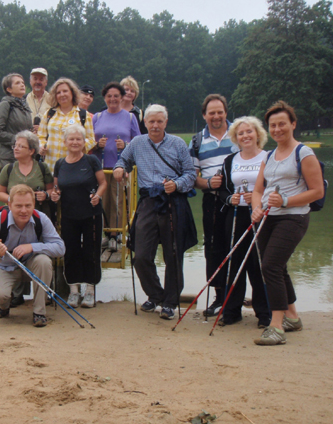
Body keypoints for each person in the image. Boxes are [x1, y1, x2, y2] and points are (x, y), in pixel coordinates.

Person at [114, 104, 197, 320]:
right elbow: (123, 160)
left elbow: (190, 174)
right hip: (148, 201)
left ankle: (170, 302)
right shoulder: (137, 143)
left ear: (165, 123)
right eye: (151, 121)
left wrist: (177, 185)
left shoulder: (178, 144)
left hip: (172, 201)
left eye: (159, 121)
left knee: (173, 254)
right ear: (145, 123)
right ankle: (156, 295)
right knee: (140, 254)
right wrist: (119, 169)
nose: (155, 125)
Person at [251, 101, 323, 346]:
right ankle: (292, 317)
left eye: (282, 124)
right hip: (269, 218)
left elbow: (317, 191)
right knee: (277, 267)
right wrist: (256, 208)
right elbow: (258, 189)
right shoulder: (269, 156)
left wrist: (286, 200)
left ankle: (276, 326)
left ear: (293, 124)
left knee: (270, 266)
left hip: (294, 217)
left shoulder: (303, 153)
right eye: (273, 125)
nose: (277, 129)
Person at [0, 184, 66, 327]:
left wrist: (32, 247)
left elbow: (60, 248)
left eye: (28, 205)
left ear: (34, 204)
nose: (24, 211)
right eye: (19, 206)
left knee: (44, 261)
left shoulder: (41, 219)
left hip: (30, 266)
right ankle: (3, 305)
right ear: (9, 204)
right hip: (5, 267)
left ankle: (39, 312)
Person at [217, 116, 271, 328]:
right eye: (241, 133)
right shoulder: (230, 160)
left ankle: (265, 313)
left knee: (258, 264)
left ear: (258, 134)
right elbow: (222, 191)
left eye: (249, 131)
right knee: (234, 262)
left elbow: (277, 185)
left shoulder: (269, 157)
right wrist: (232, 198)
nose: (245, 136)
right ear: (236, 138)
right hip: (236, 215)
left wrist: (260, 196)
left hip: (261, 215)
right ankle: (231, 311)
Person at [0, 130, 54, 307]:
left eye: (21, 146)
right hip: (13, 220)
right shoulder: (9, 168)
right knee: (15, 251)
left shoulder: (42, 168)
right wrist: (15, 202)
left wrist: (45, 195)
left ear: (32, 150)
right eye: (15, 146)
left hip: (37, 220)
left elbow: (52, 191)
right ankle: (16, 295)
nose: (16, 149)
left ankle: (42, 297)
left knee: (39, 255)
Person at [189, 94, 236, 317]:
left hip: (241, 200)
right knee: (214, 247)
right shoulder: (198, 140)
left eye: (220, 112)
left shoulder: (240, 132)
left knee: (240, 246)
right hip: (213, 199)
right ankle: (219, 296)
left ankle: (238, 294)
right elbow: (191, 177)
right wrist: (207, 182)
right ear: (204, 115)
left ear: (226, 112)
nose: (216, 116)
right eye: (211, 113)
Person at [50, 124, 107, 308]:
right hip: (68, 215)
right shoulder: (60, 163)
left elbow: (103, 183)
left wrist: (98, 196)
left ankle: (90, 290)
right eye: (71, 139)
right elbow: (57, 187)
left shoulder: (91, 161)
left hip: (91, 214)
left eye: (78, 139)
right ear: (65, 142)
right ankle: (74, 292)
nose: (75, 142)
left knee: (91, 251)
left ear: (84, 142)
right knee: (71, 252)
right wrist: (55, 194)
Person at [91, 82, 141, 251]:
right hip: (101, 167)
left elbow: (138, 142)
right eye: (109, 96)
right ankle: (105, 234)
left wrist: (125, 145)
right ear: (104, 98)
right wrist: (98, 144)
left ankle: (116, 235)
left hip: (120, 168)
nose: (112, 99)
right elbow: (89, 142)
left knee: (118, 200)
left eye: (116, 96)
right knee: (103, 201)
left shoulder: (129, 117)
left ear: (121, 98)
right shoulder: (97, 117)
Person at [38, 77, 96, 171]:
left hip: (73, 167)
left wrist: (78, 147)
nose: (62, 94)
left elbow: (91, 139)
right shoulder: (49, 114)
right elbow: (40, 136)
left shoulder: (83, 115)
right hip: (50, 167)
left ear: (72, 93)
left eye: (65, 91)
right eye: (58, 92)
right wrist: (42, 146)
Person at [0, 73, 33, 167]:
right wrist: (18, 140)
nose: (22, 85)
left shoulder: (25, 106)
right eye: (17, 83)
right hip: (8, 158)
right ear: (9, 89)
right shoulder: (5, 105)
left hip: (25, 157)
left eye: (23, 82)